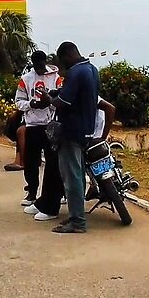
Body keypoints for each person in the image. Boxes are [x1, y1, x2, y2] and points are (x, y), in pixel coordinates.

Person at [46, 41, 99, 234]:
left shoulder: (75, 73)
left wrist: (48, 99)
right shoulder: (91, 69)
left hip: (70, 131)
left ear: (67, 56)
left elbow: (63, 103)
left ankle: (77, 221)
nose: (61, 66)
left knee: (72, 177)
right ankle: (76, 215)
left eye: (61, 62)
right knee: (77, 174)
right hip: (86, 129)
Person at [16, 51, 64, 220]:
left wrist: (48, 104)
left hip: (50, 125)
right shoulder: (26, 79)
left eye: (42, 65)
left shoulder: (55, 77)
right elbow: (18, 101)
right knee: (31, 161)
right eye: (36, 66)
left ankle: (57, 194)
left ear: (45, 62)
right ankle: (32, 193)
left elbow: (61, 98)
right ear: (33, 63)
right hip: (32, 125)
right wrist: (31, 103)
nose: (40, 68)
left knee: (53, 163)